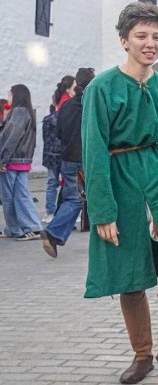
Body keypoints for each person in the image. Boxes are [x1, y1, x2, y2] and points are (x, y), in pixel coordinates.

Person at [82, 1, 158, 385]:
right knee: (130, 274)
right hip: (119, 181)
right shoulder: (101, 88)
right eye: (141, 36)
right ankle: (141, 355)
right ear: (124, 41)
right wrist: (102, 210)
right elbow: (94, 150)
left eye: (156, 36)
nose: (150, 43)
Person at [41, 67, 95, 258]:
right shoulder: (92, 103)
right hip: (86, 158)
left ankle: (57, 234)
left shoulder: (67, 105)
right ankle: (54, 232)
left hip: (67, 157)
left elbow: (59, 133)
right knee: (77, 199)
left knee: (71, 197)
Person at [0, 85, 43, 240]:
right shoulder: (28, 113)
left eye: (9, 94)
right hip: (23, 161)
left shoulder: (18, 113)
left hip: (11, 160)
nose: (8, 97)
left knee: (8, 197)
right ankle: (26, 227)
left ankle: (19, 228)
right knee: (21, 194)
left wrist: (2, 159)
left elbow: (11, 138)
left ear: (16, 95)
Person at [40, 104, 62, 224]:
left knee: (51, 184)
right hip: (64, 154)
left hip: (50, 155)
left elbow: (45, 138)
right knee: (68, 184)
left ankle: (50, 212)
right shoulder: (65, 117)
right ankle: (64, 211)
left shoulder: (47, 119)